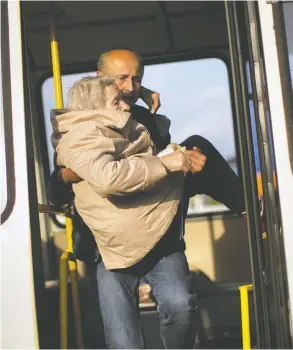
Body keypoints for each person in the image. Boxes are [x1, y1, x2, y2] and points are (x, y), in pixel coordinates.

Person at [48, 49, 247, 349]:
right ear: (99, 79)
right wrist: (69, 175)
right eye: (121, 79)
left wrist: (183, 158)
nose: (129, 86)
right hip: (107, 245)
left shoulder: (146, 121)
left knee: (181, 307)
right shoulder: (80, 129)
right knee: (123, 340)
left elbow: (160, 166)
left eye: (137, 79)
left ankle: (251, 211)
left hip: (157, 232)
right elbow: (56, 191)